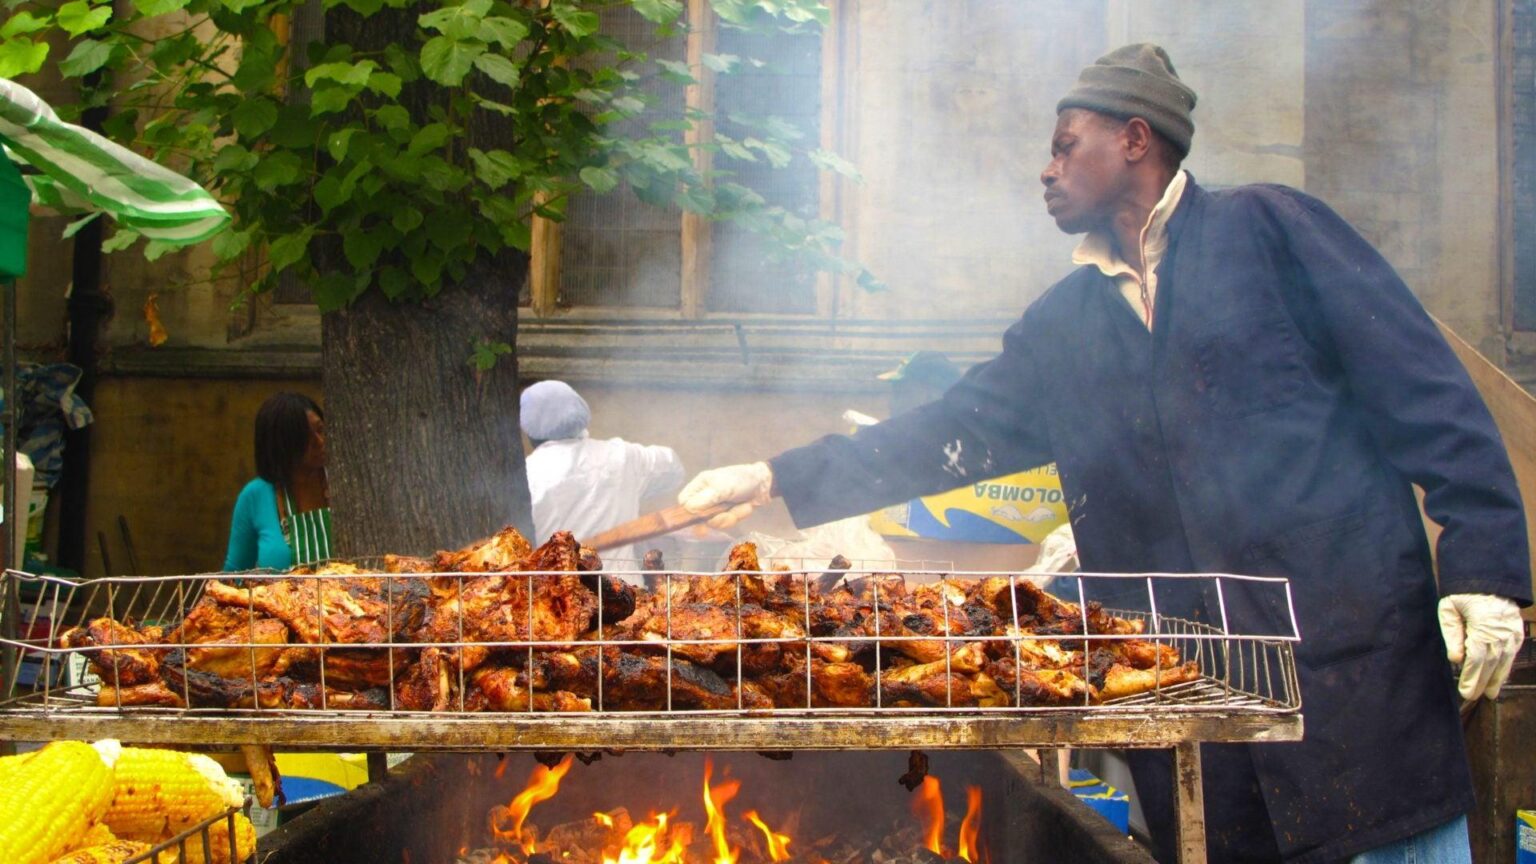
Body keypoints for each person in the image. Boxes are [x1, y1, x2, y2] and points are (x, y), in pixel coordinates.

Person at [677, 44, 1530, 864]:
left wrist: (1485, 571)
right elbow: (947, 431)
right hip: (1195, 704)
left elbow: (1425, 392)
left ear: (1134, 140)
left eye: (1063, 147)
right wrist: (775, 476)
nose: (1046, 171)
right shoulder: (1065, 325)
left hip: (1350, 671)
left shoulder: (1272, 229)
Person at [521, 380, 684, 566]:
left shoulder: (526, 474)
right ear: (581, 415)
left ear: (528, 431)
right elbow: (674, 467)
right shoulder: (622, 457)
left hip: (554, 592)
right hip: (626, 590)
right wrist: (631, 488)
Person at [224, 391, 330, 571]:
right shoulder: (256, 495)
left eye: (321, 430)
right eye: (306, 437)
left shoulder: (348, 487)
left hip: (350, 599)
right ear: (282, 445)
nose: (320, 442)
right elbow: (235, 576)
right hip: (280, 599)